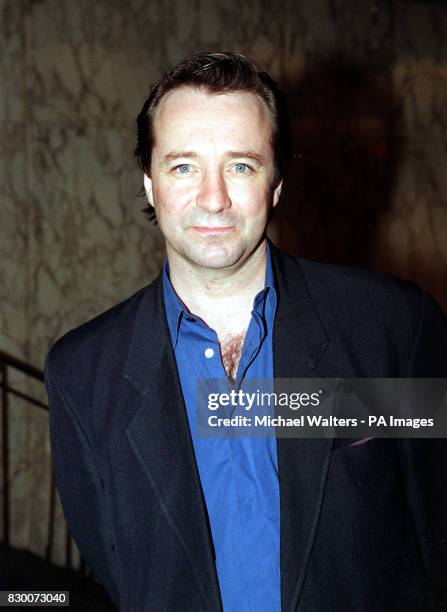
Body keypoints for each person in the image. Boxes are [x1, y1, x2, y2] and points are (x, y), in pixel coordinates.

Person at [45, 52, 447, 612]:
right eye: (184, 166)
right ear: (150, 182)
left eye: (240, 165)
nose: (214, 199)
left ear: (276, 183)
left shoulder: (392, 328)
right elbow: (120, 573)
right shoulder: (82, 373)